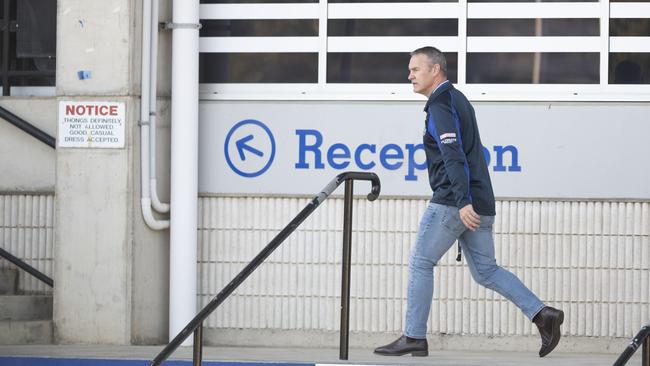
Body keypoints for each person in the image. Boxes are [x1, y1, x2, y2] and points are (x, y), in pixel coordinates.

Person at [373, 46, 564, 358]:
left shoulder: (441, 104)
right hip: (478, 200)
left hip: (454, 201)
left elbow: (453, 154)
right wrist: (470, 201)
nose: (409, 75)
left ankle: (414, 336)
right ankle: (543, 315)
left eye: (415, 69)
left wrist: (462, 201)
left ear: (435, 70)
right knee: (486, 271)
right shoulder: (457, 99)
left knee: (421, 262)